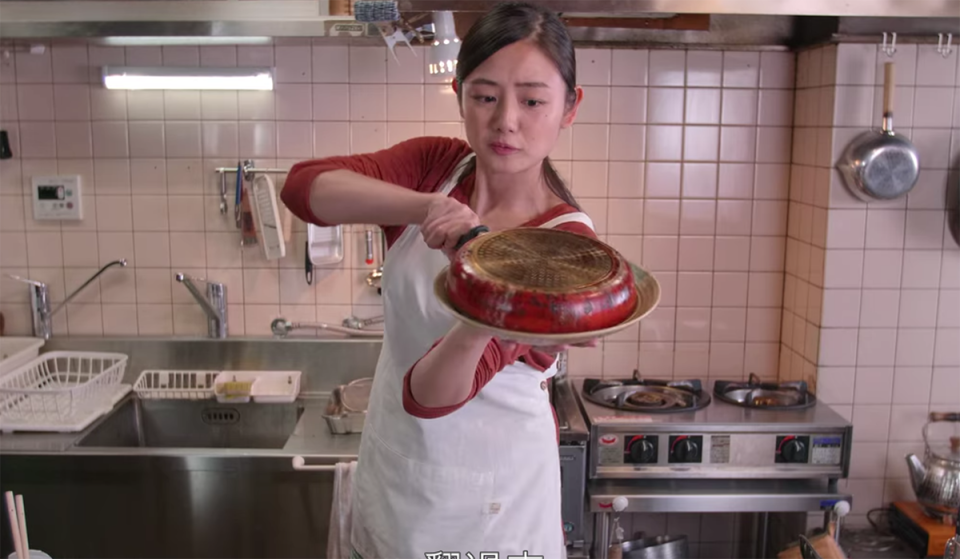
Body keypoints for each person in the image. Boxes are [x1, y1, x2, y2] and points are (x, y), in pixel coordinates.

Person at [280, 3, 598, 558]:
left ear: (570, 107)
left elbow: (433, 394)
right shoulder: (436, 166)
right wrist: (426, 207)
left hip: (496, 508)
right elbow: (304, 188)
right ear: (458, 94)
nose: (505, 121)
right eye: (485, 96)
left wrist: (486, 293)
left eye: (532, 100)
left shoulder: (567, 248)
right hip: (395, 482)